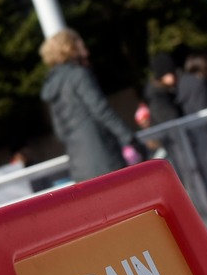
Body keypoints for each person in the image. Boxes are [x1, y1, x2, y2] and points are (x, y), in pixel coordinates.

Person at [38, 29, 135, 183]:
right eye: (79, 43)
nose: (85, 48)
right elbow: (101, 110)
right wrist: (129, 137)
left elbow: (60, 132)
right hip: (103, 156)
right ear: (69, 47)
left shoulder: (52, 85)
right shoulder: (78, 75)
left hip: (78, 165)